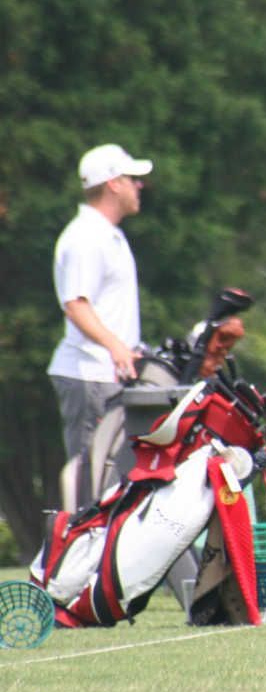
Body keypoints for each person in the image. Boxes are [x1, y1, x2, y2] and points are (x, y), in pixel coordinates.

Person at [47, 143, 153, 461]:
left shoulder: (108, 235)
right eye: (132, 178)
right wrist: (116, 347)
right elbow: (75, 304)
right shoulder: (85, 237)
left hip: (106, 375)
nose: (139, 185)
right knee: (92, 483)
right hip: (90, 374)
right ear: (113, 184)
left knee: (114, 482)